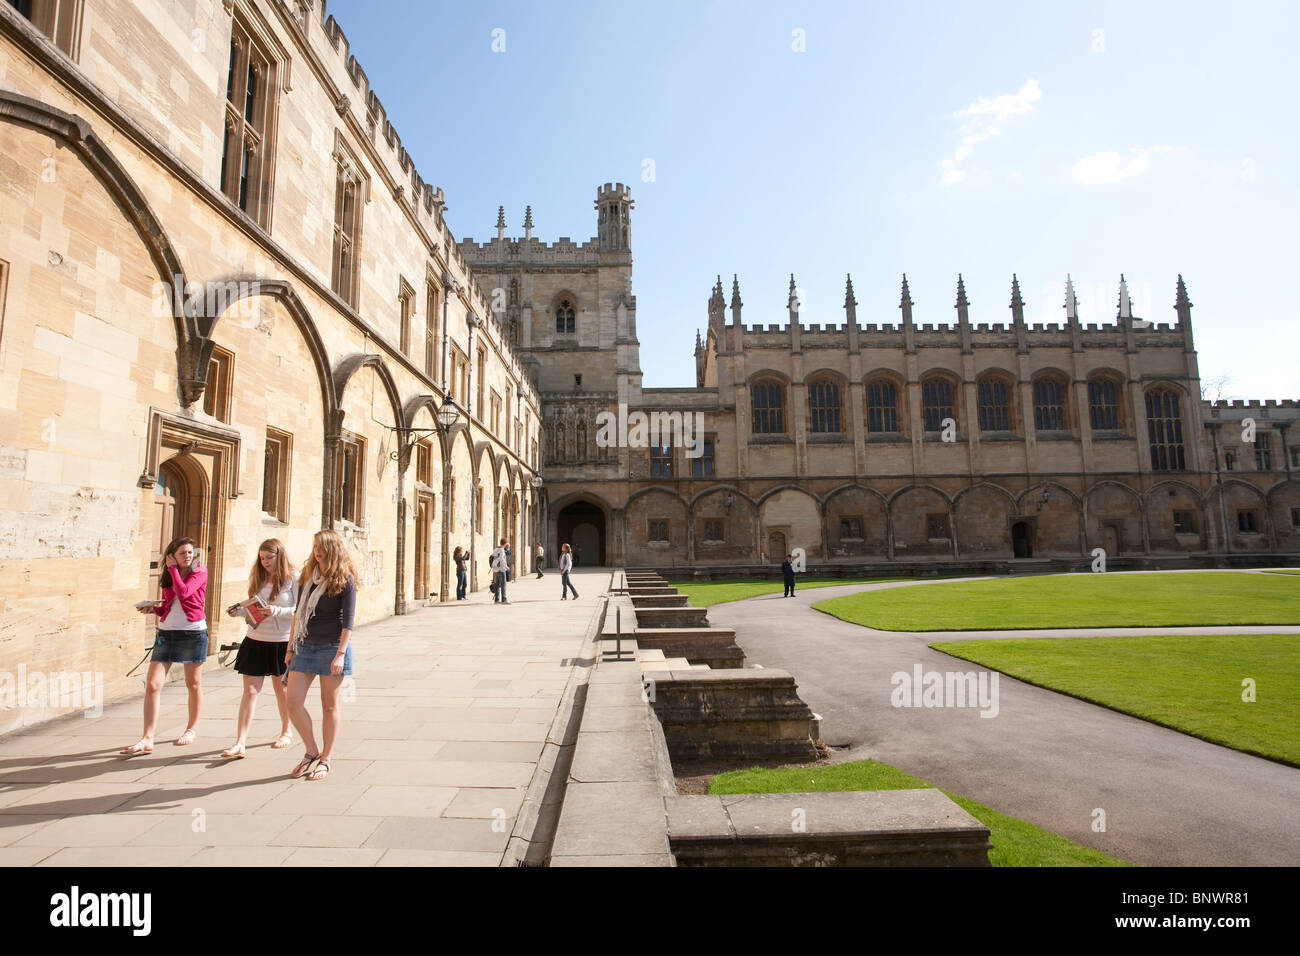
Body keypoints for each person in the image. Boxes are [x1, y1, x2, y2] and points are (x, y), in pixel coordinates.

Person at [122, 536, 207, 755]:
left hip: (192, 632)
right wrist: (154, 609)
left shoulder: (200, 571)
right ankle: (147, 737)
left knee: (193, 683)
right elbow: (170, 604)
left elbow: (185, 593)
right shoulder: (169, 575)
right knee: (152, 684)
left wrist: (173, 570)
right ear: (171, 556)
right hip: (167, 633)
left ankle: (191, 728)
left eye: (190, 552)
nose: (187, 556)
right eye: (182, 553)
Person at [285, 529, 356, 782]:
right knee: (292, 702)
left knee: (329, 705)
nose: (317, 551)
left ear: (333, 549)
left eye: (323, 546)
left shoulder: (344, 580)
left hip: (331, 647)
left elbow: (348, 622)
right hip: (304, 645)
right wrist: (290, 648)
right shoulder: (308, 577)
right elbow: (297, 614)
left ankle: (326, 758)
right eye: (315, 546)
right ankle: (311, 749)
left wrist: (340, 654)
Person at [220, 539, 297, 758]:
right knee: (250, 691)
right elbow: (254, 609)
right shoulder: (259, 579)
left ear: (279, 556)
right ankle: (240, 742)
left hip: (281, 642)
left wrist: (276, 611)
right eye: (262, 558)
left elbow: (299, 610)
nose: (265, 563)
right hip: (255, 639)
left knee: (281, 690)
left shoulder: (294, 579)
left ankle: (286, 730)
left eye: (269, 558)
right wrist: (239, 612)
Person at [490, 537, 510, 604]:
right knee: (503, 584)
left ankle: (497, 599)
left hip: (496, 569)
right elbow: (502, 559)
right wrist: (506, 566)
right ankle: (504, 599)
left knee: (497, 584)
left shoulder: (496, 549)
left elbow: (494, 558)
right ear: (505, 543)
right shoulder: (501, 550)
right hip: (501, 569)